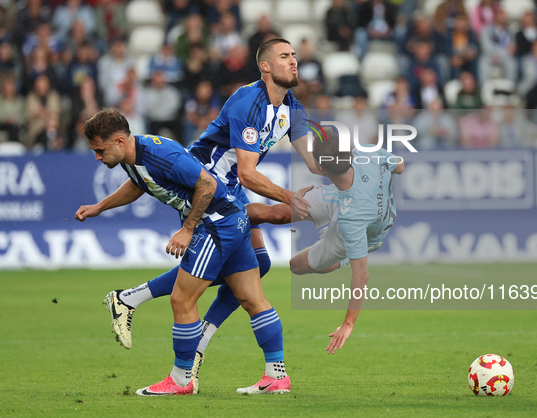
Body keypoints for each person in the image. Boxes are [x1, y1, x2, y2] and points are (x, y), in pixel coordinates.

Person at [102, 38, 315, 387]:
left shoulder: (293, 109)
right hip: (208, 191)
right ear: (265, 66)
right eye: (285, 56)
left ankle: (135, 303)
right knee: (213, 283)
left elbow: (315, 162)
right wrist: (296, 199)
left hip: (230, 190)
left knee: (252, 271)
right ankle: (195, 349)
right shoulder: (248, 102)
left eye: (295, 56)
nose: (294, 61)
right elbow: (247, 173)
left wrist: (358, 172)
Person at [75, 108, 290, 395]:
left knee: (182, 299)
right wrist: (99, 207)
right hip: (233, 220)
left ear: (119, 141)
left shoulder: (160, 153)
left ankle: (180, 381)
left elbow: (207, 183)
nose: (98, 158)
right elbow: (139, 184)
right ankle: (277, 376)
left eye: (100, 151)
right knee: (252, 298)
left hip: (216, 224)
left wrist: (188, 229)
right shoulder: (132, 158)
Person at [289, 127, 404, 353]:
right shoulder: (368, 152)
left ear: (320, 168)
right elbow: (399, 166)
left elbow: (362, 275)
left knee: (295, 265)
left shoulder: (351, 222)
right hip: (341, 196)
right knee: (286, 210)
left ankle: (344, 257)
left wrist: (348, 323)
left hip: (359, 226)